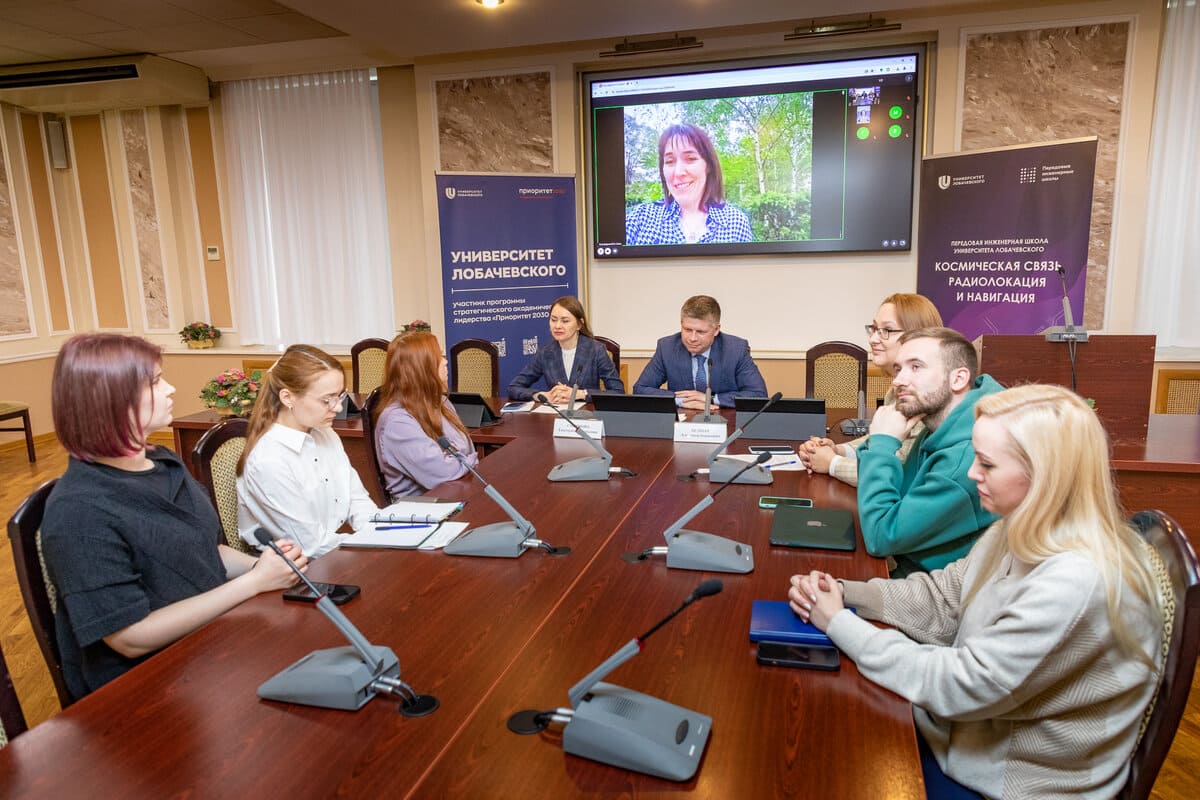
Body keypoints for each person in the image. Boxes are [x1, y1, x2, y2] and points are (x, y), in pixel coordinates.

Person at [788, 384, 1164, 799]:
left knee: (828, 761)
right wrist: (847, 591)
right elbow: (946, 595)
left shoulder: (1076, 579)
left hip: (1012, 779)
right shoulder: (1021, 524)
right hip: (973, 737)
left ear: (1045, 475)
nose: (971, 473)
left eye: (986, 463)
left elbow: (961, 684)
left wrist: (840, 623)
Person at [40, 333, 306, 699]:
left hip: (213, 646)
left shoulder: (164, 463)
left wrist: (267, 566)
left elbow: (206, 549)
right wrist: (253, 583)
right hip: (146, 690)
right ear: (109, 400)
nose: (170, 389)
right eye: (154, 382)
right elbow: (131, 638)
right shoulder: (78, 513)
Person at [857, 327, 1003, 575]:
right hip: (911, 570)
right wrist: (879, 443)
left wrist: (882, 444)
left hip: (933, 593)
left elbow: (880, 536)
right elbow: (896, 496)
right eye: (898, 369)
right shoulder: (939, 426)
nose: (898, 381)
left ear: (958, 379)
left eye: (916, 367)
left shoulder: (966, 459)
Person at [237, 344, 378, 557]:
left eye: (339, 396)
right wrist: (376, 545)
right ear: (287, 398)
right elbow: (311, 544)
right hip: (294, 568)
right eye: (326, 400)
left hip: (328, 553)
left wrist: (382, 530)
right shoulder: (269, 461)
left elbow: (356, 500)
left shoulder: (324, 433)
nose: (338, 408)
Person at [799, 293, 943, 485]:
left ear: (917, 335)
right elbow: (881, 439)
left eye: (887, 330)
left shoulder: (928, 395)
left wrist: (832, 463)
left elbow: (896, 469)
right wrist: (838, 449)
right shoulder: (896, 388)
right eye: (874, 329)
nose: (874, 339)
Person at [375, 331, 479, 499]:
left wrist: (460, 460)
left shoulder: (441, 402)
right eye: (439, 357)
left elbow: (467, 447)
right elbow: (442, 474)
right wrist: (468, 460)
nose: (446, 362)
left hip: (453, 497)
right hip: (420, 514)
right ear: (421, 368)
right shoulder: (397, 422)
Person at [625, 122, 753, 246]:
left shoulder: (735, 222)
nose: (678, 172)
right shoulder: (640, 219)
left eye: (690, 159)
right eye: (670, 161)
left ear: (708, 165)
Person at [633, 294, 767, 410]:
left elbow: (758, 394)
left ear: (716, 330)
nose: (692, 338)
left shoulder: (736, 349)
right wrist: (681, 400)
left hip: (724, 421)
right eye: (687, 329)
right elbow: (640, 389)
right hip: (680, 424)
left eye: (701, 332)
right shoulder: (667, 347)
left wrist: (711, 399)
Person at [507, 295, 624, 402]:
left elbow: (618, 391)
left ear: (579, 324)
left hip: (588, 416)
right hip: (555, 416)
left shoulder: (596, 350)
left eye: (565, 321)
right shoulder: (545, 353)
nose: (557, 326)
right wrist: (540, 395)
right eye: (553, 320)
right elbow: (514, 387)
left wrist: (582, 394)